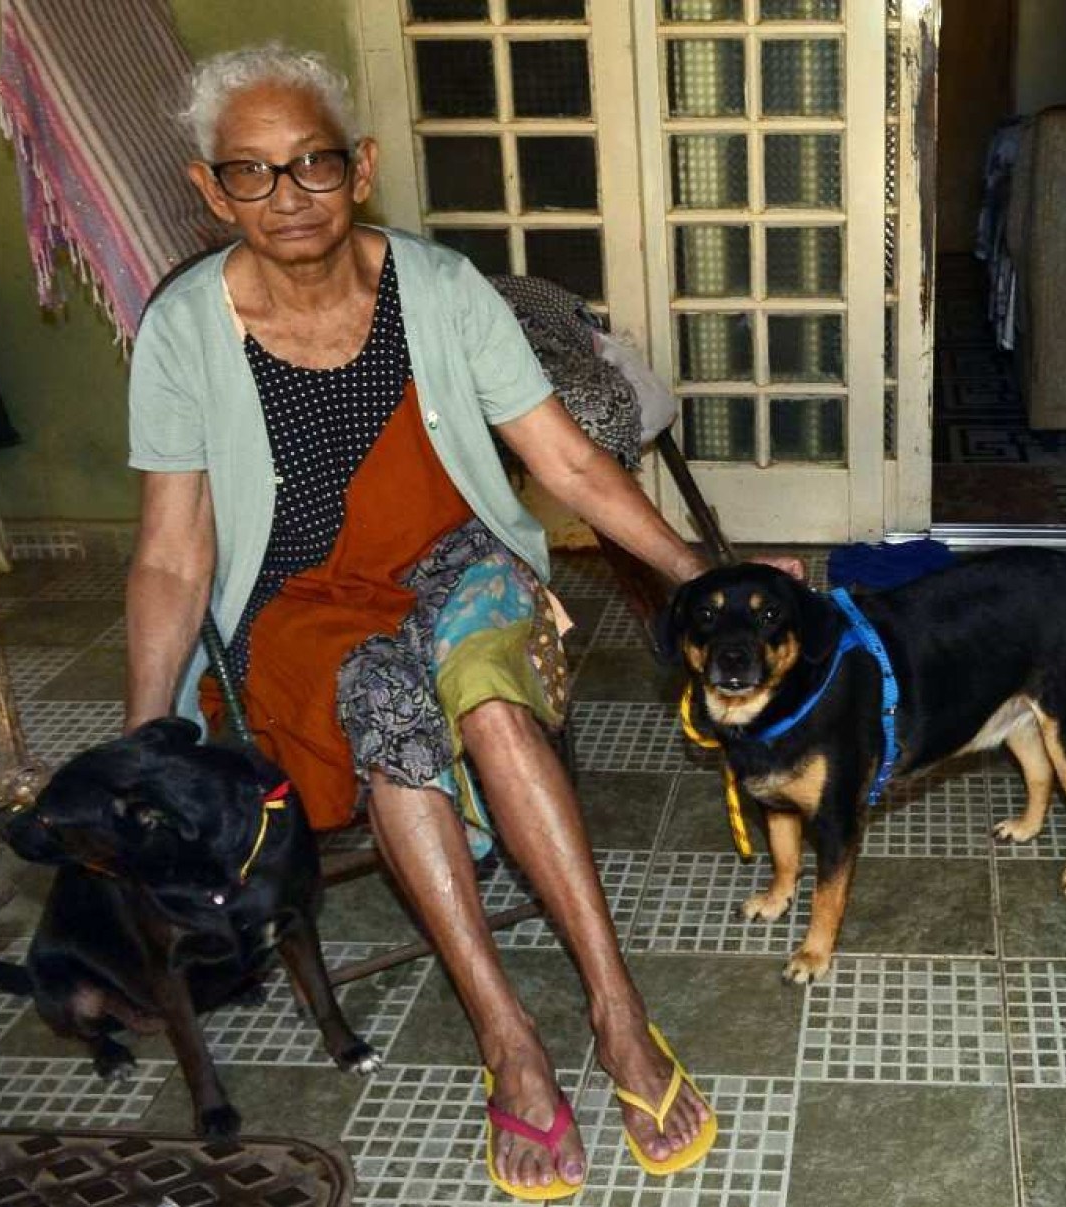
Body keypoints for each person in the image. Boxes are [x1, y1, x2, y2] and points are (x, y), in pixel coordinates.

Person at [125, 43, 721, 1199]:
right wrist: (143, 732)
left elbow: (568, 464)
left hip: (454, 558)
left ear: (364, 169)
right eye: (250, 173)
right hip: (293, 604)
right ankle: (509, 1038)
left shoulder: (444, 290)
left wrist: (699, 575)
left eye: (312, 164)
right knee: (383, 702)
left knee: (491, 693)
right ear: (209, 189)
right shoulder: (183, 330)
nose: (286, 197)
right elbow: (169, 549)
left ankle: (617, 1006)